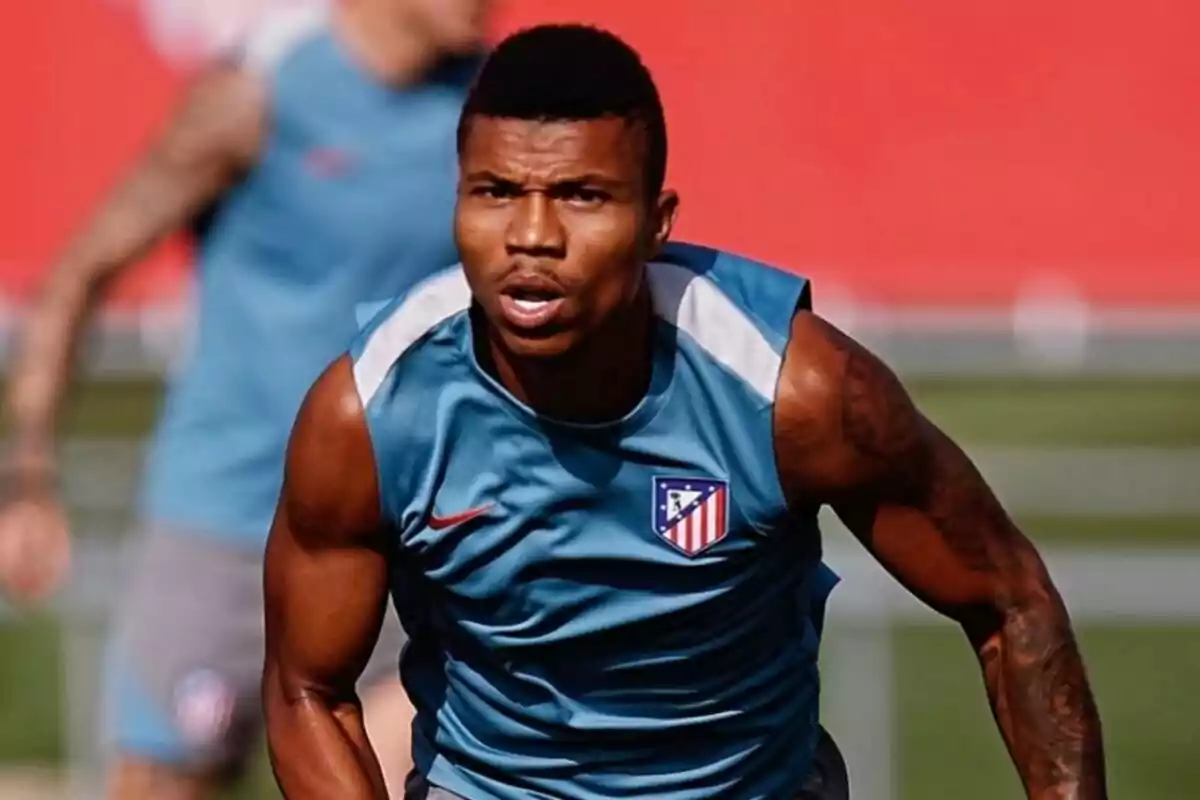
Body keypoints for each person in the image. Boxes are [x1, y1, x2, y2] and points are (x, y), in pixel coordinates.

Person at [262, 24, 1108, 800]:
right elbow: (308, 690)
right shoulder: (371, 410)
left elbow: (1007, 602)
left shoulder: (796, 393)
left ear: (657, 224)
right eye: (495, 192)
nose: (531, 235)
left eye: (582, 196)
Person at [0, 0, 492, 797]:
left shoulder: (492, 111)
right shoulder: (256, 93)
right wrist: (28, 477)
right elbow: (81, 272)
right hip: (230, 526)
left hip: (403, 533)